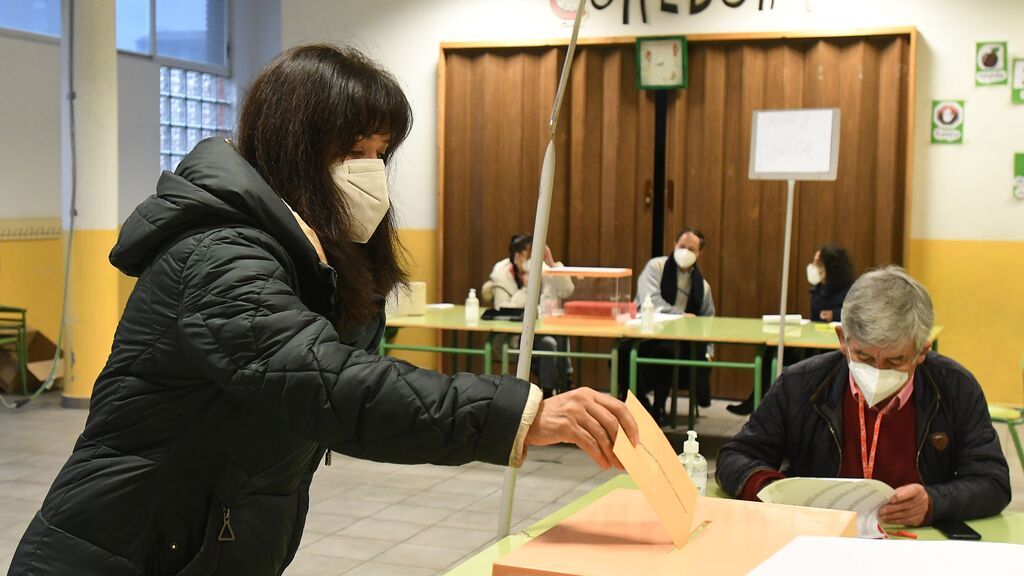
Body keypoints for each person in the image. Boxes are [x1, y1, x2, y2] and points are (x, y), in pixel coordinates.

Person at [8, 45, 638, 576]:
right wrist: (518, 412)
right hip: (112, 553)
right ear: (292, 149)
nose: (371, 171)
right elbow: (325, 382)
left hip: (201, 544)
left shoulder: (313, 261)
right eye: (351, 150)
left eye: (380, 152)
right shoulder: (220, 256)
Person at [716, 267, 1010, 527]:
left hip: (916, 542)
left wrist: (933, 503)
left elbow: (993, 482)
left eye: (896, 361)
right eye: (864, 356)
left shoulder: (955, 388)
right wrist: (775, 491)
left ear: (923, 350)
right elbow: (735, 457)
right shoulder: (800, 385)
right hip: (820, 538)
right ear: (843, 339)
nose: (878, 371)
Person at [728, 243, 856, 415]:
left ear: (830, 267)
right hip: (810, 340)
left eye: (817, 263)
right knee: (770, 350)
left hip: (828, 347)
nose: (812, 266)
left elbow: (853, 314)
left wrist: (835, 314)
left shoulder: (849, 289)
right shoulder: (819, 287)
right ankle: (756, 402)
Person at [617, 227, 715, 425]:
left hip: (680, 341)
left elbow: (707, 320)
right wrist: (681, 315)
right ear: (674, 245)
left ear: (699, 253)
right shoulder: (656, 267)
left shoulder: (702, 286)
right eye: (682, 246)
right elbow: (649, 299)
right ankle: (641, 405)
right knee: (623, 352)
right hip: (647, 333)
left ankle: (659, 407)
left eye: (692, 249)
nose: (685, 252)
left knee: (668, 352)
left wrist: (710, 350)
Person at [487, 233, 574, 395]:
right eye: (531, 254)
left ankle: (565, 382)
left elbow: (567, 290)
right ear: (518, 257)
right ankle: (548, 392)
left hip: (539, 330)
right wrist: (527, 288)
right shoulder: (501, 273)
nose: (536, 258)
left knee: (561, 336)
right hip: (512, 336)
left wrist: (552, 263)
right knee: (549, 344)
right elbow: (503, 308)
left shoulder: (541, 267)